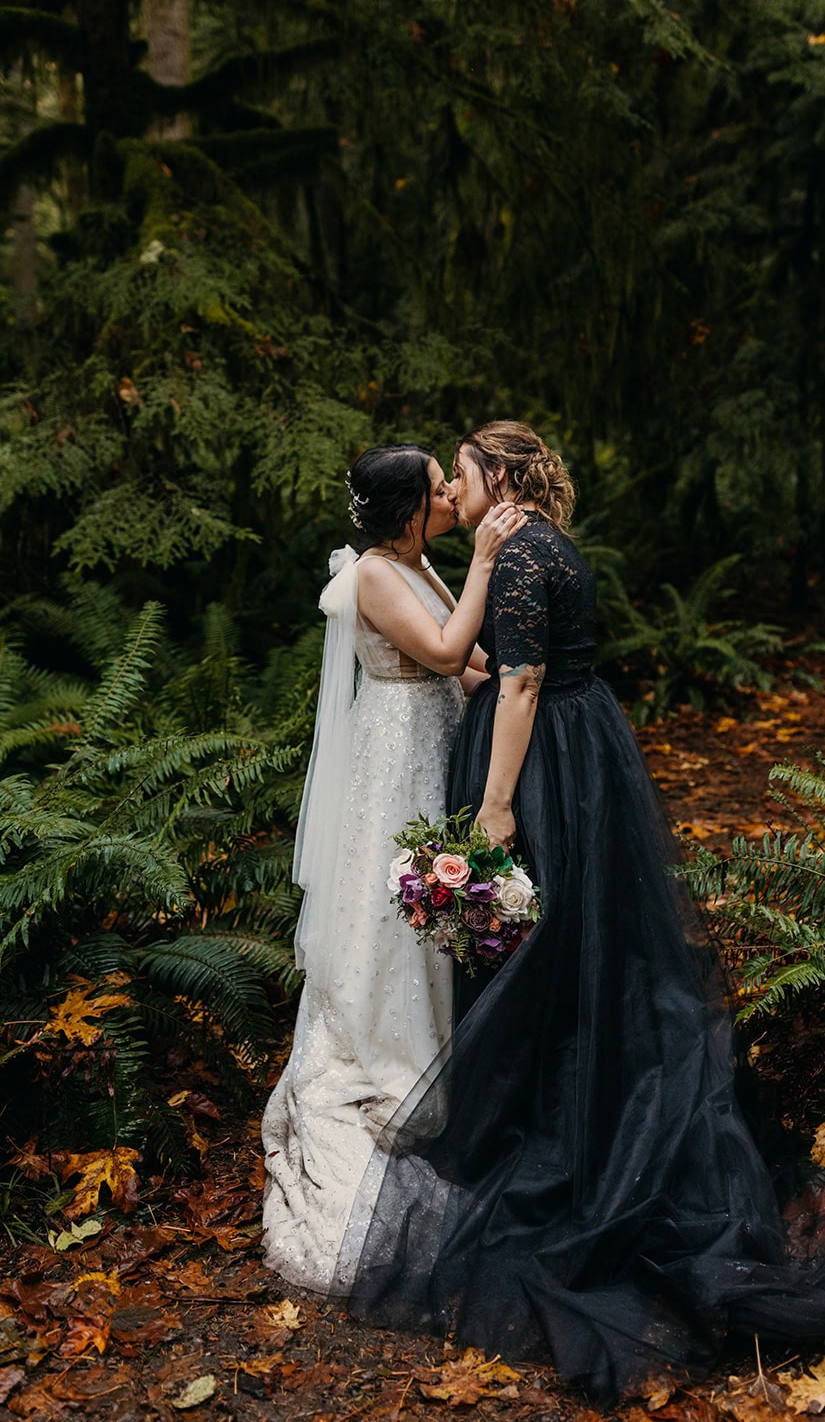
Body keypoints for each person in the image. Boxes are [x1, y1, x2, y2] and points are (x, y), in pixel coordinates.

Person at [339, 421, 825, 1400]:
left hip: (548, 763)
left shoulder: (515, 552)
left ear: (499, 478)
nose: (454, 491)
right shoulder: (537, 544)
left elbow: (518, 678)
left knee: (541, 948)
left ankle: (558, 1127)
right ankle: (559, 1091)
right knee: (573, 947)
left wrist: (498, 800)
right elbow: (498, 664)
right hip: (582, 747)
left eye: (462, 474)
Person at [261, 444, 525, 1292]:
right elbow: (446, 653)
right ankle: (394, 1065)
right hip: (396, 752)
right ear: (407, 508)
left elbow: (470, 663)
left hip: (432, 739)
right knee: (391, 912)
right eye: (437, 489)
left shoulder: (420, 563)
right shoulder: (375, 573)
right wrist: (485, 560)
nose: (452, 496)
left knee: (433, 903)